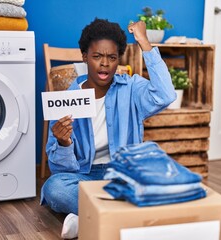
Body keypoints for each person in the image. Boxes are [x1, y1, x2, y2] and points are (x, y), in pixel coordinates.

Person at [41, 18, 176, 239]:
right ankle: (121, 215)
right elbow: (60, 171)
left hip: (123, 174)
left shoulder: (131, 88)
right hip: (84, 177)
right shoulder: (67, 100)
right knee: (54, 188)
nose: (105, 63)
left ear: (118, 60)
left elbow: (166, 95)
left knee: (160, 181)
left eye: (112, 57)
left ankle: (88, 219)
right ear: (85, 57)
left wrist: (144, 42)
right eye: (97, 56)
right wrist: (64, 144)